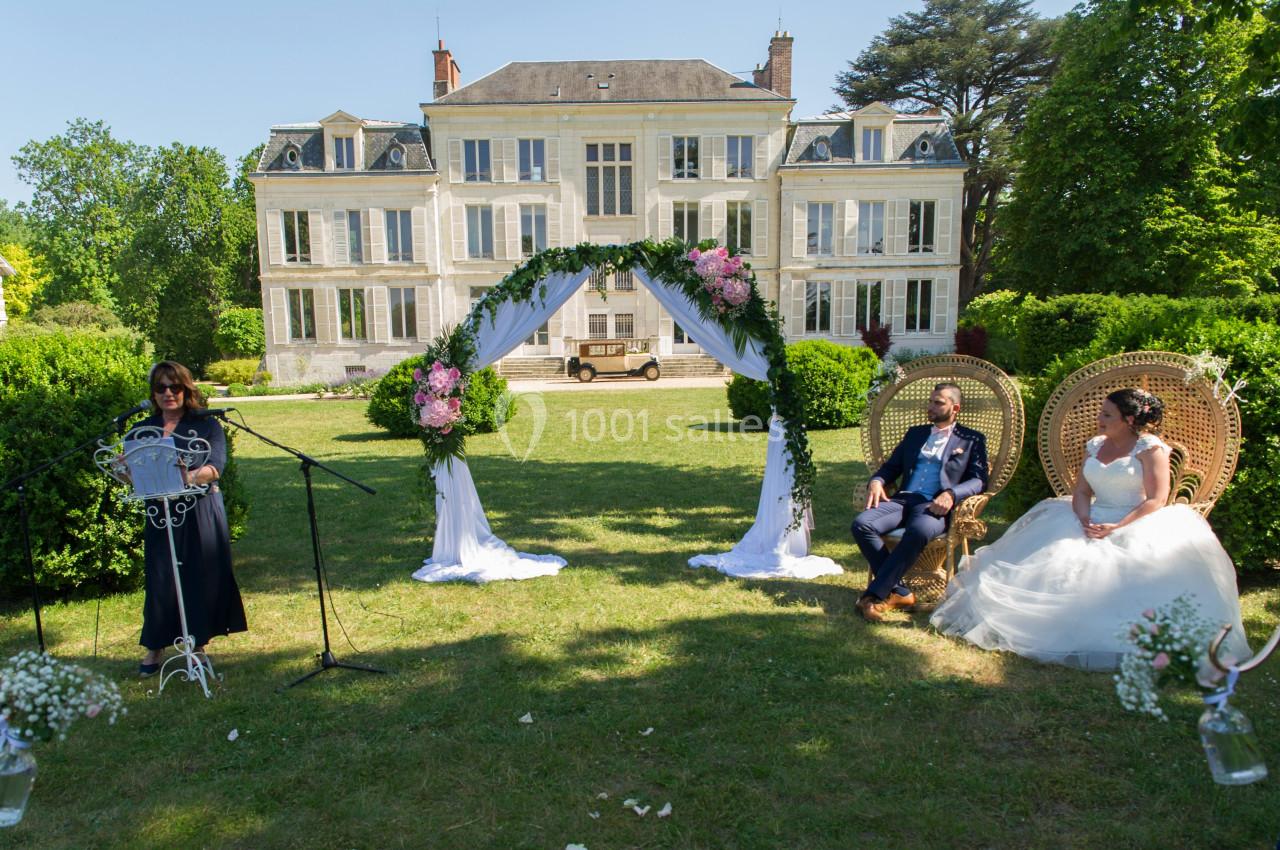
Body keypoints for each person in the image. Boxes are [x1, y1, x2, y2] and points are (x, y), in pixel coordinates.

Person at [930, 388, 1251, 670]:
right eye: (1101, 411)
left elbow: (1157, 499)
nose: (1100, 418)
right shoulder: (1096, 445)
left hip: (1137, 518)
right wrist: (1084, 519)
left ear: (1128, 419)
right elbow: (1082, 491)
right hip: (1091, 515)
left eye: (1107, 414)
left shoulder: (1151, 449)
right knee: (1055, 557)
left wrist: (1117, 526)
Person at [136, 361, 246, 675]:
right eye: (161, 388)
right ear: (154, 393)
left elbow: (216, 467)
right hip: (160, 513)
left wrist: (189, 477)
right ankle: (154, 645)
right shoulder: (142, 429)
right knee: (160, 577)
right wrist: (126, 470)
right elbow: (138, 478)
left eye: (175, 387)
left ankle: (196, 645)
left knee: (197, 576)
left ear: (187, 390)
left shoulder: (206, 425)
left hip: (198, 510)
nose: (168, 393)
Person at [851, 383, 989, 622]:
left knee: (919, 530)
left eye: (938, 402)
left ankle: (874, 594)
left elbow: (979, 480)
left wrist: (952, 495)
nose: (931, 407)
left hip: (934, 506)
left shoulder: (971, 439)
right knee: (862, 524)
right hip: (903, 499)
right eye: (930, 401)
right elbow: (891, 467)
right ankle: (900, 591)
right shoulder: (915, 434)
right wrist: (877, 481)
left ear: (955, 408)